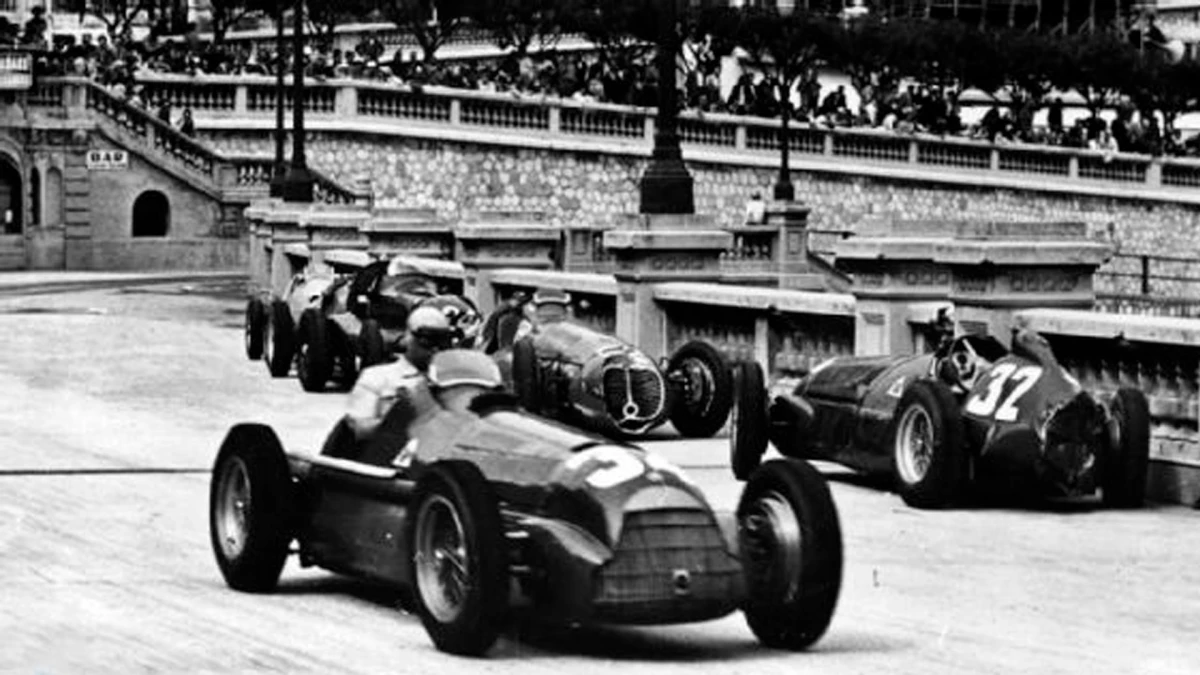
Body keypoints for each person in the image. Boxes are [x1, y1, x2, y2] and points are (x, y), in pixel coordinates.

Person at [343, 305, 456, 444]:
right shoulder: (377, 377)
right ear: (408, 337)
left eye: (443, 342)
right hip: (389, 455)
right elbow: (359, 429)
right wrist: (403, 417)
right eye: (427, 340)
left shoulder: (453, 383)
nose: (435, 348)